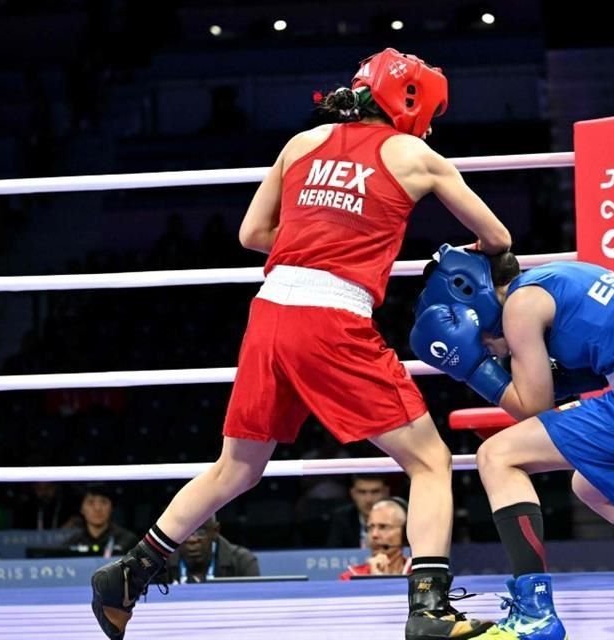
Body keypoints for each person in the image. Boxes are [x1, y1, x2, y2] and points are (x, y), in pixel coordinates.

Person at [91, 47, 511, 640]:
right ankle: (429, 609)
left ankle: (126, 576)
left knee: (236, 467)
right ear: (411, 102)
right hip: (331, 319)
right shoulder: (416, 154)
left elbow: (251, 234)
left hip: (270, 314)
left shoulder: (301, 144)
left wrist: (318, 241)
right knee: (430, 460)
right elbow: (497, 235)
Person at [410, 245, 614, 639]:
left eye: (482, 335)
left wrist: (474, 368)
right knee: (590, 486)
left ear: (475, 293)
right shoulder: (556, 277)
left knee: (496, 456)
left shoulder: (521, 306)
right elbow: (582, 375)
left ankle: (534, 613)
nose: (489, 344)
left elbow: (534, 408)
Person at [164, 514, 260, 584]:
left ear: (215, 531)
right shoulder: (161, 563)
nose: (192, 540)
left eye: (200, 531)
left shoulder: (242, 561)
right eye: (186, 531)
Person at [340, 497, 411, 579]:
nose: (374, 535)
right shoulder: (350, 577)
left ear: (405, 532)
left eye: (383, 527)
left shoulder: (419, 574)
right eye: (370, 527)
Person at [65, 484, 138, 557]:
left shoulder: (128, 541)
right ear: (81, 509)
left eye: (104, 502)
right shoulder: (72, 543)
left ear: (112, 508)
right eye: (91, 502)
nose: (97, 508)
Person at [327, 474, 390, 549]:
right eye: (362, 492)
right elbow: (334, 552)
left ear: (386, 492)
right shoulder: (342, 518)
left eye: (375, 492)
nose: (368, 500)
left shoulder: (398, 517)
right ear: (353, 494)